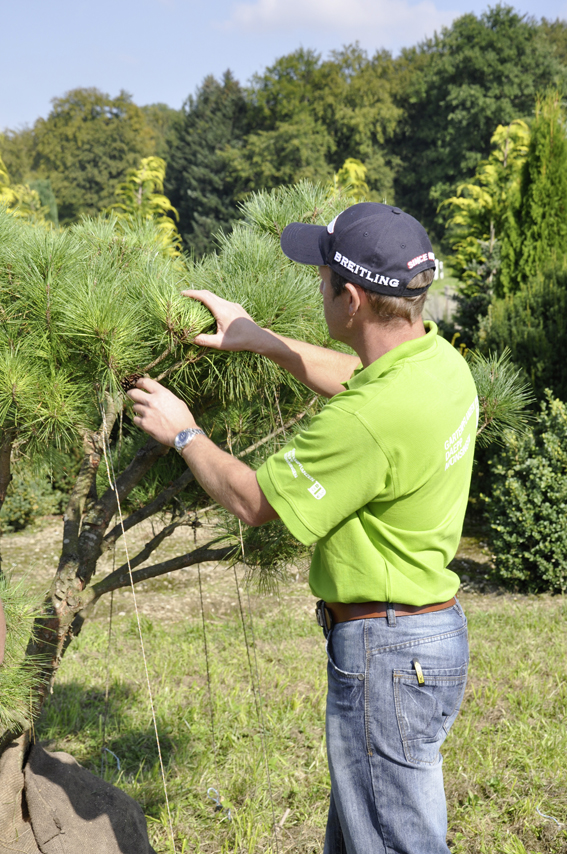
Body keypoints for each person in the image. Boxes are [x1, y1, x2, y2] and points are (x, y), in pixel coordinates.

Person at [128, 202, 478, 854]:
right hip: (427, 637)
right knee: (362, 835)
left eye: (318, 278)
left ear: (349, 297)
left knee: (397, 843)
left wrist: (182, 430)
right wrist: (263, 339)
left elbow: (256, 501)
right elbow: (360, 380)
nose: (313, 288)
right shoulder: (437, 365)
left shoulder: (368, 420)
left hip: (387, 654)